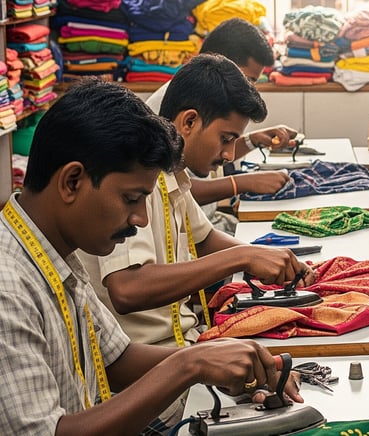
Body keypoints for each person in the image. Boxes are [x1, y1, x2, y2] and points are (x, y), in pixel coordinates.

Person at [0, 78, 301, 435]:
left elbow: (117, 359)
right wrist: (189, 365)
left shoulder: (55, 255)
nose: (141, 218)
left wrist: (217, 361)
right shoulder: (8, 286)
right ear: (72, 182)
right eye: (131, 199)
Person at [79, 54, 313, 432]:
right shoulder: (138, 183)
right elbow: (127, 288)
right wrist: (243, 256)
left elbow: (204, 240)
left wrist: (271, 257)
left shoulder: (176, 177)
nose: (229, 155)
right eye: (226, 139)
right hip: (149, 384)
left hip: (182, 357)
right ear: (188, 122)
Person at [146, 17, 297, 234]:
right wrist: (241, 183)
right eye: (247, 80)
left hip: (204, 223)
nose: (248, 89)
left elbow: (207, 156)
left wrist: (252, 141)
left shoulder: (201, 101)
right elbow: (166, 190)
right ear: (220, 67)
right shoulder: (172, 106)